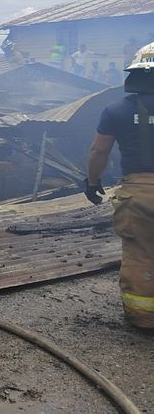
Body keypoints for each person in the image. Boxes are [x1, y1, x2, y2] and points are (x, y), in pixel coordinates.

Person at [85, 41, 154, 329]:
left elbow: (99, 151)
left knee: (140, 255)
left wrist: (92, 182)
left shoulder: (115, 111)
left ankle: (143, 319)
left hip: (139, 193)